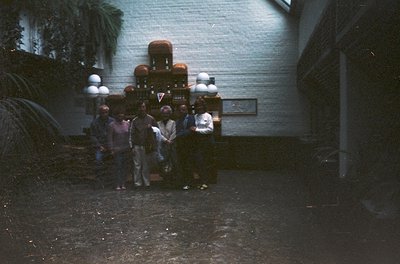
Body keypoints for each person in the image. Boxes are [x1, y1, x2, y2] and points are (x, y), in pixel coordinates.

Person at [129, 101, 158, 188]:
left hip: (147, 146)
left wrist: (153, 145)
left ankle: (147, 183)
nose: (141, 109)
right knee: (137, 165)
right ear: (137, 109)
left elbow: (157, 132)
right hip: (137, 146)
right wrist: (131, 147)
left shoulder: (151, 119)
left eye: (143, 107)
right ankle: (137, 183)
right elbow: (131, 134)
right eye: (140, 107)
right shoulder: (134, 120)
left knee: (146, 165)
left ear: (145, 108)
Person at [190, 97, 214, 190]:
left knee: (204, 162)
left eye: (200, 105)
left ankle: (205, 182)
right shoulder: (195, 116)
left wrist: (197, 130)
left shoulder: (208, 116)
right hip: (197, 142)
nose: (199, 107)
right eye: (197, 106)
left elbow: (210, 130)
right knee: (198, 162)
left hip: (206, 142)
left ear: (204, 106)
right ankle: (201, 181)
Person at [90, 104, 115, 187]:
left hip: (111, 145)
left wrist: (111, 146)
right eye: (103, 112)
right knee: (98, 161)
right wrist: (99, 146)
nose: (105, 114)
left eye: (106, 112)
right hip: (100, 146)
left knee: (115, 161)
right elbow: (93, 136)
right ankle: (99, 180)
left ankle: (112, 180)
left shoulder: (112, 121)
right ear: (99, 113)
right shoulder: (95, 123)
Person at [107, 109, 130, 190]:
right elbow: (109, 138)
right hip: (117, 150)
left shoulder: (127, 124)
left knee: (124, 167)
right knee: (118, 167)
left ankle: (123, 183)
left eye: (122, 115)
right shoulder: (111, 125)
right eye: (119, 115)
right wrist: (111, 149)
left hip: (126, 148)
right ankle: (117, 183)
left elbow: (129, 136)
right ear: (116, 116)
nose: (121, 116)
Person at [175, 104, 196, 190]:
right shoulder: (177, 120)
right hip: (180, 146)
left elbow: (191, 131)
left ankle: (190, 183)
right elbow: (180, 131)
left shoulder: (191, 118)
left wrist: (179, 134)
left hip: (189, 145)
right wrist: (184, 132)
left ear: (187, 110)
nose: (182, 111)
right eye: (181, 110)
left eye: (184, 109)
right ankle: (184, 182)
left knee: (189, 165)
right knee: (182, 165)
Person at [157, 105, 177, 188]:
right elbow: (159, 134)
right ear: (161, 114)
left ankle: (171, 180)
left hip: (172, 146)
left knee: (171, 163)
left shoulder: (173, 123)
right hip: (162, 146)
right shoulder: (158, 123)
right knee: (163, 163)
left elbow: (174, 132)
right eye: (163, 113)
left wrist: (170, 141)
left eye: (167, 113)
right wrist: (165, 140)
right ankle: (165, 180)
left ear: (170, 114)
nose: (165, 115)